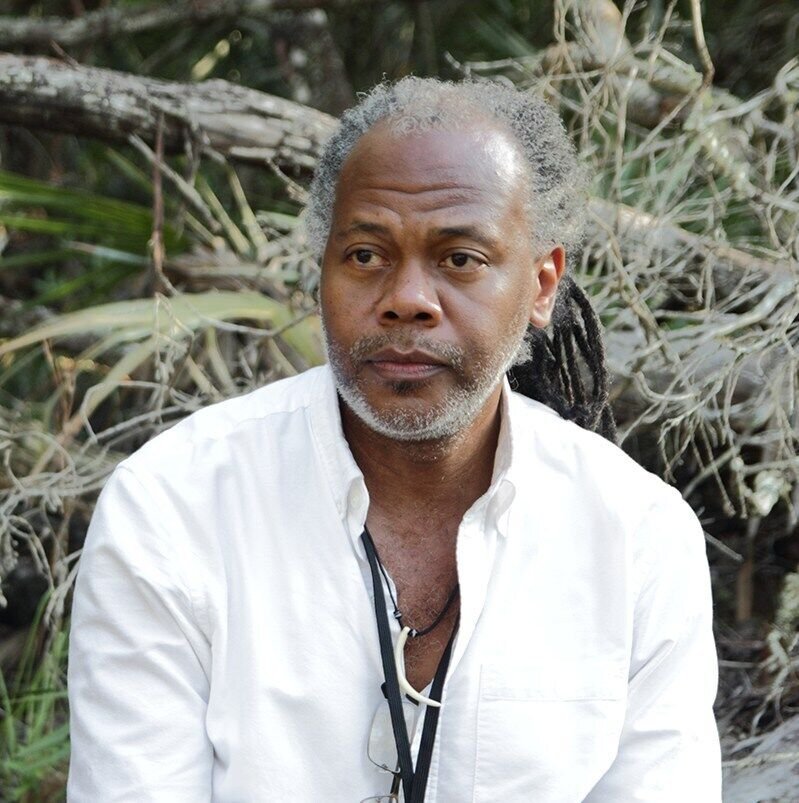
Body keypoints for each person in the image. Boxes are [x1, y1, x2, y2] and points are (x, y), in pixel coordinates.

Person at [67, 77, 721, 802]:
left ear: (540, 286)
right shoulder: (173, 509)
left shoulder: (637, 537)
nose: (406, 298)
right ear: (320, 271)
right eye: (366, 255)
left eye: (460, 258)